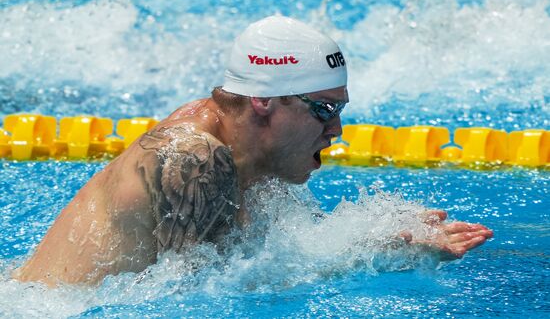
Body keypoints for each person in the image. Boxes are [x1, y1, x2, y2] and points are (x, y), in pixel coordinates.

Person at [13, 16, 493, 287]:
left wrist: (389, 233)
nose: (336, 129)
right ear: (264, 101)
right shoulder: (193, 160)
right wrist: (367, 251)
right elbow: (201, 298)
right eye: (323, 108)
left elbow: (262, 254)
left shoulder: (248, 148)